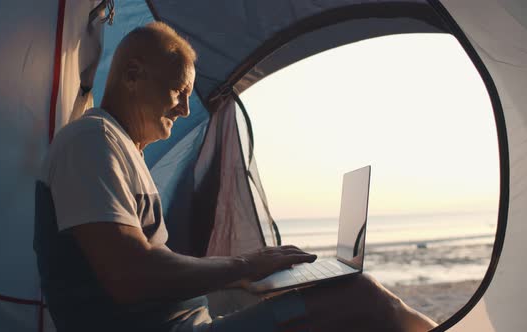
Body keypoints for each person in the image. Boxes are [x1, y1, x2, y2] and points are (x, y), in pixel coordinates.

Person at [34, 22, 437, 332]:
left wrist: (247, 272)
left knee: (326, 293)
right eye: (178, 91)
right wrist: (243, 265)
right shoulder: (91, 142)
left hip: (183, 322)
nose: (185, 110)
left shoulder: (119, 148)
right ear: (133, 75)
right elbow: (130, 276)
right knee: (362, 297)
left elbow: (146, 262)